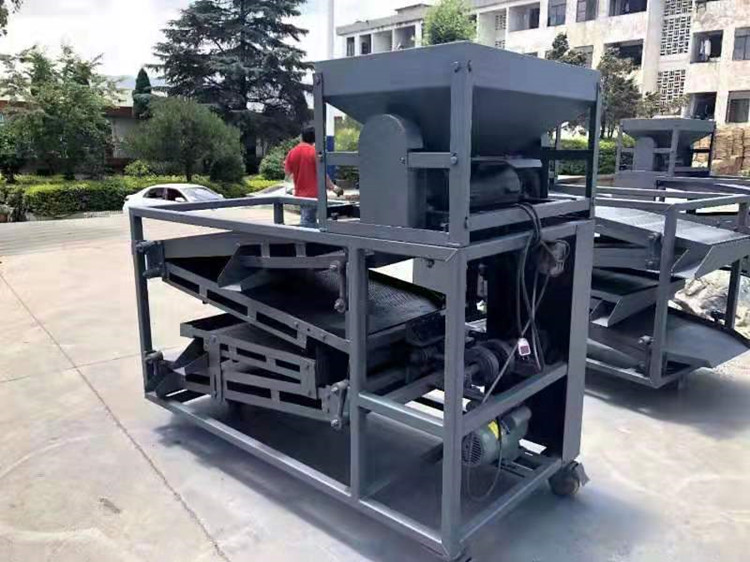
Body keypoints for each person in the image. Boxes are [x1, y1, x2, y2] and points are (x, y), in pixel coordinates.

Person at [284, 126, 342, 227]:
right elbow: (322, 174)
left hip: (300, 194)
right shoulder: (314, 152)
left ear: (302, 137)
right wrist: (333, 188)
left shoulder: (292, 152)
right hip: (315, 195)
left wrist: (292, 188)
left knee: (307, 220)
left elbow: (288, 173)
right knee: (309, 223)